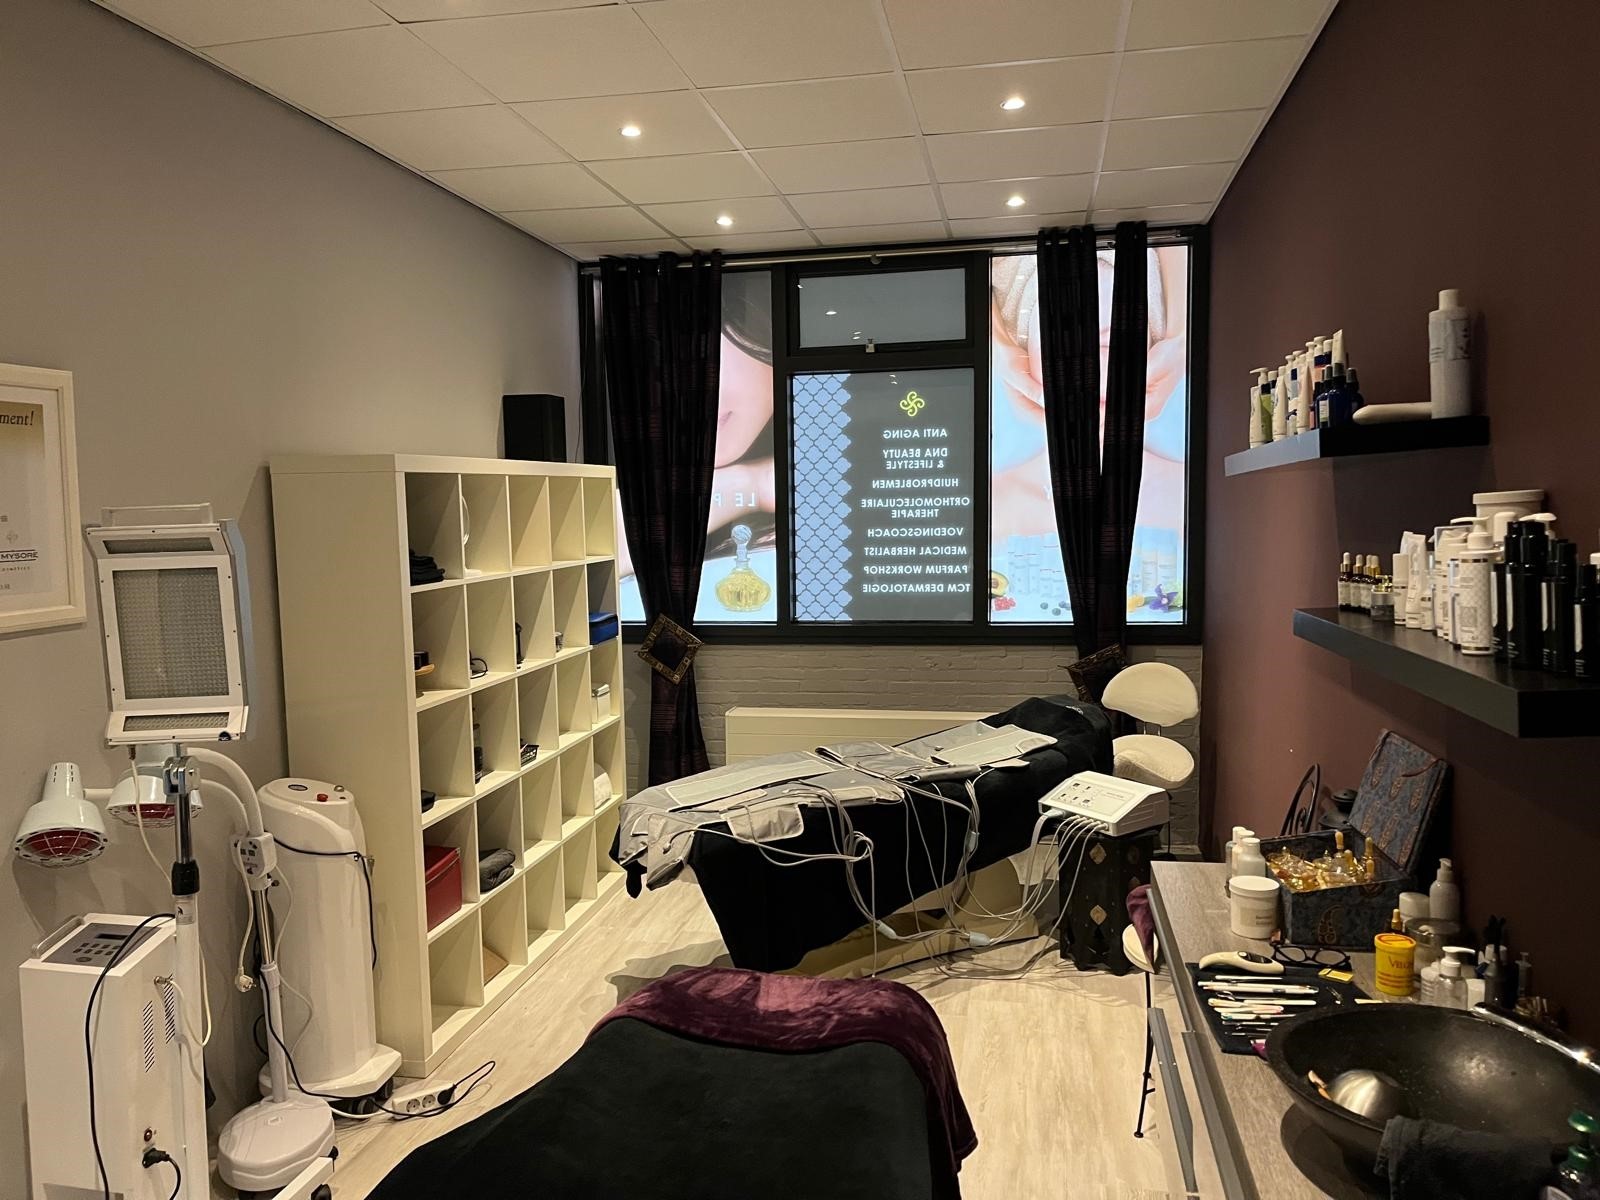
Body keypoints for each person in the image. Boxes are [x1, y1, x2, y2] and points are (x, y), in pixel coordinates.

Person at [989, 246, 1189, 617]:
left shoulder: (1185, 492)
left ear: (1151, 356)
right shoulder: (994, 500)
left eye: (1111, 343)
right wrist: (996, 346)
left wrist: (1180, 336)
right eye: (1064, 346)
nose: (1091, 368)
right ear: (1025, 359)